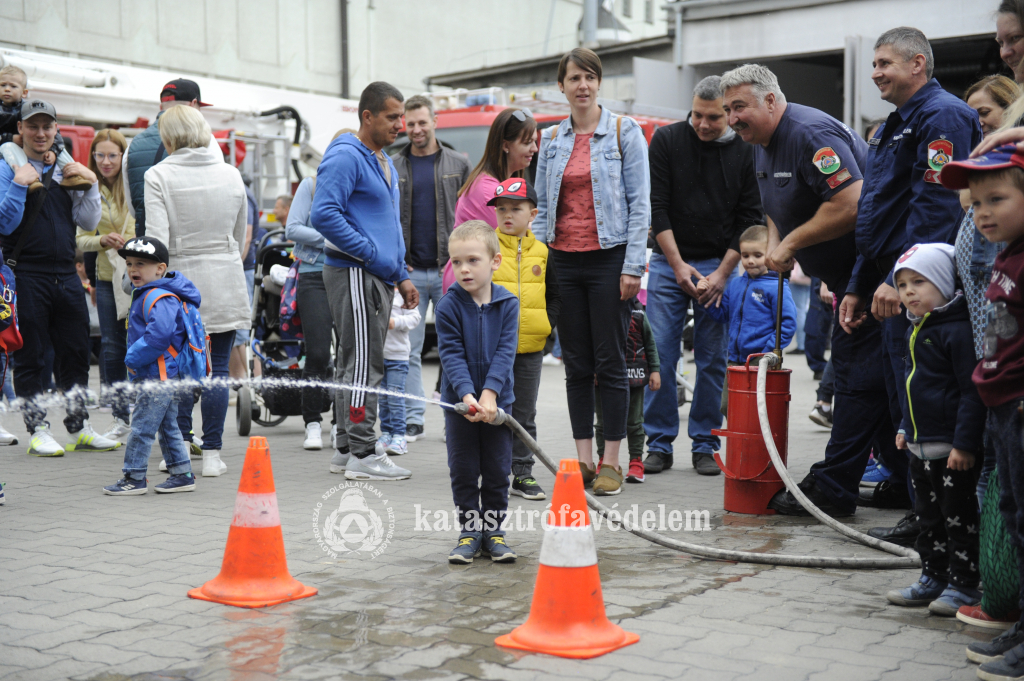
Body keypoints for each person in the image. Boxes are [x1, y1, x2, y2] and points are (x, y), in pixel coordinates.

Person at [720, 64, 880, 517]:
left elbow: (850, 203)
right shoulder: (761, 143)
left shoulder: (810, 134)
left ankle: (833, 488)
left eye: (739, 107)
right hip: (844, 280)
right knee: (873, 381)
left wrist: (791, 243)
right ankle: (900, 478)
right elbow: (776, 207)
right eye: (728, 109)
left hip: (870, 278)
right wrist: (776, 242)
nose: (732, 118)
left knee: (854, 380)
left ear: (771, 100)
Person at [842, 27, 983, 513]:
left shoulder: (943, 115)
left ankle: (938, 516)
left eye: (884, 63)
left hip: (920, 281)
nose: (875, 73)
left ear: (917, 64)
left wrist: (898, 281)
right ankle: (916, 504)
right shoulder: (893, 123)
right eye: (874, 64)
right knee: (900, 393)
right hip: (893, 276)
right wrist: (860, 283)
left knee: (925, 397)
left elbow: (936, 208)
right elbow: (877, 213)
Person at [534, 48, 650, 497]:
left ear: (599, 83)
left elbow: (640, 205)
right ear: (561, 86)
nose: (582, 85)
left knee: (611, 361)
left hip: (609, 260)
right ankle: (583, 460)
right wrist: (541, 264)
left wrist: (633, 266)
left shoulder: (624, 131)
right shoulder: (550, 139)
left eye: (589, 77)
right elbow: (543, 209)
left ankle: (612, 462)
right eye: (573, 78)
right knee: (576, 364)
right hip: (563, 261)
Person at [643, 74, 762, 477]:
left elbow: (749, 218)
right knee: (661, 353)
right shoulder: (666, 140)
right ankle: (658, 442)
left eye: (713, 117)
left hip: (719, 263)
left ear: (729, 114)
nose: (702, 124)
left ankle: (706, 443)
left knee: (712, 360)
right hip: (668, 261)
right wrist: (677, 264)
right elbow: (657, 206)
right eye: (696, 115)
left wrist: (723, 274)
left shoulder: (746, 150)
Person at [941, 145, 1024, 678]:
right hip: (1002, 410)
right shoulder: (1005, 254)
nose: (983, 213)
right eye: (974, 204)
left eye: (996, 199)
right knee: (1014, 518)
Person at [311, 81, 420, 481]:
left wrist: (401, 274)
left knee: (353, 363)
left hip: (373, 274)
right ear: (367, 116)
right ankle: (362, 451)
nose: (400, 125)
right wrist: (370, 254)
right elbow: (323, 214)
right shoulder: (346, 155)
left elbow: (389, 224)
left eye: (401, 117)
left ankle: (345, 447)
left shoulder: (381, 159)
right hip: (356, 273)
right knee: (362, 364)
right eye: (392, 117)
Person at [0, 99, 120, 456]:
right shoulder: (7, 167)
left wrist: (91, 185)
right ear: (20, 129)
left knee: (76, 353)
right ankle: (37, 429)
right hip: (26, 273)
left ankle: (79, 426)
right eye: (33, 126)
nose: (40, 133)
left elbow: (87, 221)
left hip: (66, 274)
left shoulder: (65, 168)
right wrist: (19, 185)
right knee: (32, 356)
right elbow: (4, 224)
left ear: (56, 130)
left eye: (47, 126)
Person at [145, 105, 249, 477]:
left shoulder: (158, 175)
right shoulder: (231, 174)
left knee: (178, 370)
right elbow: (239, 234)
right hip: (225, 277)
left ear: (168, 136)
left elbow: (157, 241)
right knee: (218, 367)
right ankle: (213, 455)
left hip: (180, 281)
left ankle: (181, 448)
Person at [883, 243, 985, 616]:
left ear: (943, 282)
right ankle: (933, 577)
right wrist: (905, 426)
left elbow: (971, 392)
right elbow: (915, 387)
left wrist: (964, 444)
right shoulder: (915, 328)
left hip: (951, 451)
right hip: (919, 446)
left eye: (919, 282)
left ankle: (964, 585)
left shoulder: (956, 330)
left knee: (959, 520)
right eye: (902, 284)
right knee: (928, 519)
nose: (909, 292)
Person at [435, 221, 519, 564]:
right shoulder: (447, 305)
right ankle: (470, 531)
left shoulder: (508, 303)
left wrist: (491, 394)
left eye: (472, 260)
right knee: (464, 470)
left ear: (495, 261)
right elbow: (451, 355)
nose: (464, 269)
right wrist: (468, 396)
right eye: (456, 262)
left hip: (498, 405)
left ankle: (494, 532)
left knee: (498, 471)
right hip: (461, 406)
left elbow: (506, 352)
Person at [392, 95, 471, 442]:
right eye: (410, 124)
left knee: (458, 347)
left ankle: (456, 416)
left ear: (435, 122)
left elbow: (469, 216)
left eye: (422, 122)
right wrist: (397, 262)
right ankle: (413, 419)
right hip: (408, 272)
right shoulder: (393, 164)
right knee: (407, 349)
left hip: (448, 270)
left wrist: (462, 260)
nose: (416, 129)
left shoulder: (459, 163)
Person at [103, 236, 199, 496]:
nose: (133, 269)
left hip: (158, 375)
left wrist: (132, 358)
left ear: (160, 268)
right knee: (167, 426)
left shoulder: (159, 296)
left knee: (142, 427)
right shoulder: (149, 293)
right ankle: (182, 474)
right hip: (161, 374)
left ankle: (134, 477)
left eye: (141, 264)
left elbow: (159, 337)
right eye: (129, 263)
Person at [488, 178, 561, 500]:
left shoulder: (543, 252)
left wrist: (546, 325)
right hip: (492, 348)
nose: (507, 214)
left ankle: (523, 473)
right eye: (501, 208)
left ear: (532, 214)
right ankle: (492, 471)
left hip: (531, 348)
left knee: (524, 413)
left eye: (515, 209)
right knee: (492, 409)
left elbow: (555, 295)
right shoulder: (486, 247)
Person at [76, 129, 136, 441]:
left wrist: (133, 243)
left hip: (140, 276)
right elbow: (80, 239)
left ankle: (148, 413)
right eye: (100, 155)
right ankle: (120, 417)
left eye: (113, 155)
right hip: (105, 276)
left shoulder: (136, 185)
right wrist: (102, 240)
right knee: (112, 347)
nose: (106, 161)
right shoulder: (89, 188)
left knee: (144, 344)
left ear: (123, 157)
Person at [699, 224, 796, 415]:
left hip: (761, 361)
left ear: (771, 254)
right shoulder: (736, 284)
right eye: (745, 255)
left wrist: (767, 352)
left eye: (757, 255)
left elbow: (787, 323)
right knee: (729, 408)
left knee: (755, 412)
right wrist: (704, 297)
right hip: (734, 361)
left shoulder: (777, 287)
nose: (750, 261)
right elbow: (722, 315)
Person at [123, 78, 214, 236]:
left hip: (147, 239)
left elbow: (132, 208)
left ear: (161, 107)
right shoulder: (207, 141)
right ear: (193, 104)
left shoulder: (132, 145)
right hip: (190, 237)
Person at [286, 174, 338, 451]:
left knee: (349, 354)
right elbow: (292, 228)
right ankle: (313, 423)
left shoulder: (362, 182)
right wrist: (333, 239)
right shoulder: (312, 184)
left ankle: (341, 423)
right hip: (313, 275)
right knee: (317, 353)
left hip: (351, 273)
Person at [596, 298, 660, 485]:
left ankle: (636, 462)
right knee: (602, 422)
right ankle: (603, 460)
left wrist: (655, 370)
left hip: (635, 375)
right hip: (603, 375)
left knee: (634, 422)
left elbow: (650, 343)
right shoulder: (597, 308)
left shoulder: (638, 313)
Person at [0, 65, 85, 191]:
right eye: (3, 85)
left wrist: (54, 151)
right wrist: (11, 138)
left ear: (24, 92)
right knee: (8, 146)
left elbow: (55, 134)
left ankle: (73, 175)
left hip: (29, 148)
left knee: (56, 144)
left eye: (13, 86)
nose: (7, 89)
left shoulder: (28, 109)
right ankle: (30, 179)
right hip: (9, 151)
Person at [453, 109, 537, 229]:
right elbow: (513, 234)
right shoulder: (488, 192)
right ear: (506, 145)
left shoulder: (493, 184)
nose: (535, 149)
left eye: (534, 141)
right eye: (527, 142)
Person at [378, 287, 422, 456]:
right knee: (383, 399)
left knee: (395, 397)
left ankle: (399, 436)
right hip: (378, 356)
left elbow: (415, 318)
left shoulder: (403, 295)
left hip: (398, 357)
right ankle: (386, 433)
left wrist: (395, 322)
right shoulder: (376, 292)